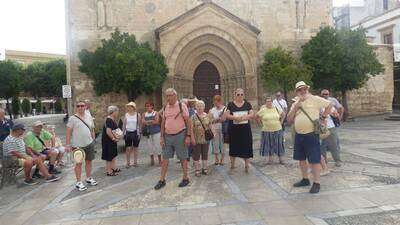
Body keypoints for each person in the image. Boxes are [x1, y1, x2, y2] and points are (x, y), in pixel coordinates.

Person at [287, 81, 332, 194]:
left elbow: (329, 105)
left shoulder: (314, 99)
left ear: (307, 89)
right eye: (299, 90)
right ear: (297, 92)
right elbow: (289, 120)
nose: (302, 91)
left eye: (304, 89)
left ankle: (316, 182)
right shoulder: (295, 103)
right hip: (299, 135)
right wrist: (295, 108)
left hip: (312, 134)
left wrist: (323, 116)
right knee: (301, 158)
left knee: (314, 159)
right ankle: (305, 179)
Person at [154, 88, 192, 190]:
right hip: (167, 136)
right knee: (165, 158)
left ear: (175, 96)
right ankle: (162, 180)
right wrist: (161, 136)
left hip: (180, 134)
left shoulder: (181, 106)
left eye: (170, 95)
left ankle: (185, 178)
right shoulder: (166, 107)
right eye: (166, 96)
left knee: (183, 157)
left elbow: (188, 122)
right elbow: (163, 122)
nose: (168, 98)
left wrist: (188, 136)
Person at [66, 101, 98, 191]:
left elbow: (92, 128)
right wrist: (68, 145)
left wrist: (93, 140)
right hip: (77, 145)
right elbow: (68, 132)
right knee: (78, 163)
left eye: (82, 106)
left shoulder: (89, 116)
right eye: (78, 106)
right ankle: (78, 182)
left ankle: (88, 177)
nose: (80, 107)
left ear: (85, 107)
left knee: (89, 161)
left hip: (89, 143)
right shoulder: (72, 118)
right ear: (76, 107)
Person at [224, 88, 254, 173]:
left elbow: (252, 113)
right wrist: (235, 118)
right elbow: (227, 115)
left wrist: (245, 117)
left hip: (245, 129)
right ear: (235, 95)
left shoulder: (247, 104)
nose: (240, 96)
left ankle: (246, 165)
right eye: (238, 94)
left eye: (242, 94)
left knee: (246, 146)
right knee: (233, 146)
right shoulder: (230, 104)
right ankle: (232, 165)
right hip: (234, 130)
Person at [256, 97, 285, 165]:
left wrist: (281, 122)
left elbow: (283, 115)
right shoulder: (263, 110)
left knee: (279, 144)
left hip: (278, 129)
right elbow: (256, 116)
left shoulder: (276, 108)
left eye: (270, 101)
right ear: (265, 102)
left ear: (272, 102)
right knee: (269, 144)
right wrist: (261, 124)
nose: (268, 102)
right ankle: (270, 159)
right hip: (266, 130)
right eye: (267, 101)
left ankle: (281, 159)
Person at [320, 90, 342, 168]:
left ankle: (337, 160)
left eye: (326, 94)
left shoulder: (330, 105)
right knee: (322, 145)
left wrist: (336, 115)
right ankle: (324, 161)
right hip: (322, 127)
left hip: (331, 127)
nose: (325, 95)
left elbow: (336, 114)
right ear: (321, 95)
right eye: (323, 94)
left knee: (334, 144)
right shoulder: (318, 105)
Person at [191, 100, 212, 177]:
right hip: (196, 139)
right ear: (196, 107)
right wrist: (192, 138)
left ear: (204, 107)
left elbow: (210, 125)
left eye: (201, 106)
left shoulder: (207, 116)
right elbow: (191, 129)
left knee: (205, 154)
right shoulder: (193, 117)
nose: (200, 108)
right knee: (196, 155)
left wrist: (213, 133)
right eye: (198, 106)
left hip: (205, 139)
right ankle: (197, 170)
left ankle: (204, 168)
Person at [102, 106, 122, 176]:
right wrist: (114, 139)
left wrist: (117, 137)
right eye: (117, 111)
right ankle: (109, 171)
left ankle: (113, 167)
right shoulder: (109, 120)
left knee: (113, 154)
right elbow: (108, 132)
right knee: (109, 156)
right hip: (108, 141)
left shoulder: (112, 119)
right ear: (113, 112)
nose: (117, 113)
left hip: (111, 141)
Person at [141, 101, 162, 166]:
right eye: (146, 106)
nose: (147, 107)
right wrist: (151, 121)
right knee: (150, 146)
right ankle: (152, 160)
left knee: (158, 146)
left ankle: (160, 160)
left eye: (149, 106)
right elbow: (143, 122)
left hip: (156, 131)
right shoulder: (144, 114)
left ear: (152, 106)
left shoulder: (156, 113)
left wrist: (147, 122)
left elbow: (156, 121)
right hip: (148, 132)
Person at [209, 95, 226, 165]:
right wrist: (217, 119)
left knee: (222, 143)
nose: (216, 103)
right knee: (215, 143)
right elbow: (209, 120)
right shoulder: (212, 110)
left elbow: (224, 119)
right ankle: (216, 158)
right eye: (215, 102)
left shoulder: (225, 108)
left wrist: (216, 119)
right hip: (214, 129)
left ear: (221, 101)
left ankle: (222, 159)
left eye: (218, 102)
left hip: (223, 128)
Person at [123, 102, 141, 168]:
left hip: (135, 132)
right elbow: (124, 125)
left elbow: (139, 125)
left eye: (130, 106)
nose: (129, 108)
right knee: (128, 148)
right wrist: (123, 133)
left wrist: (139, 133)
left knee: (135, 148)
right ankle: (128, 163)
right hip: (128, 133)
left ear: (133, 107)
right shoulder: (126, 115)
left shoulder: (137, 115)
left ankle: (135, 162)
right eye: (128, 106)